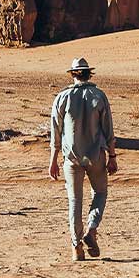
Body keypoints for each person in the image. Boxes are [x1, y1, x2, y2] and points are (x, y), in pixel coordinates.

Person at [48, 56, 117, 261]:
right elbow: (109, 131)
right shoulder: (99, 95)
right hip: (96, 155)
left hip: (71, 158)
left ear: (73, 75)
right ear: (89, 74)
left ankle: (76, 247)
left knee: (74, 201)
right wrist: (112, 156)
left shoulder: (62, 97)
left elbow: (55, 131)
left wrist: (53, 159)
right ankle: (92, 229)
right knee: (101, 192)